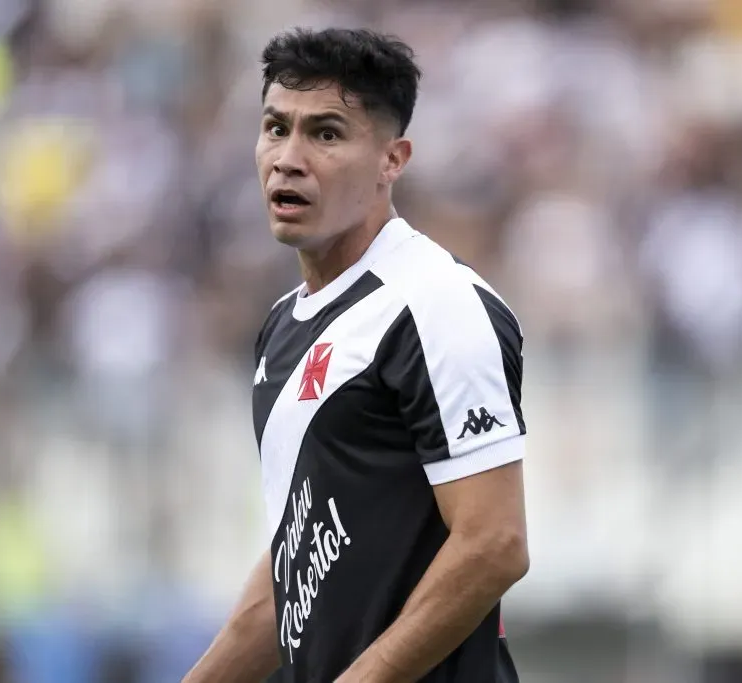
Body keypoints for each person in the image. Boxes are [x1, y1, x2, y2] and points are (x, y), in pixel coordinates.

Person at [182, 27, 529, 683]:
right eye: (275, 127)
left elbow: (494, 543)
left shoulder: (435, 303)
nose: (287, 157)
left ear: (392, 159)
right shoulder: (286, 324)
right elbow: (294, 568)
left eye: (326, 134)